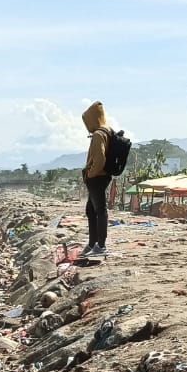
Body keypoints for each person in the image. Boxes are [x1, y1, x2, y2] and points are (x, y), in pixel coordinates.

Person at [81, 101, 114, 256]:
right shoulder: (107, 130)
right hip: (103, 176)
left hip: (97, 178)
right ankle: (92, 244)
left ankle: (100, 246)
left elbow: (99, 160)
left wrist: (90, 174)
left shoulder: (98, 135)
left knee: (99, 210)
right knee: (91, 210)